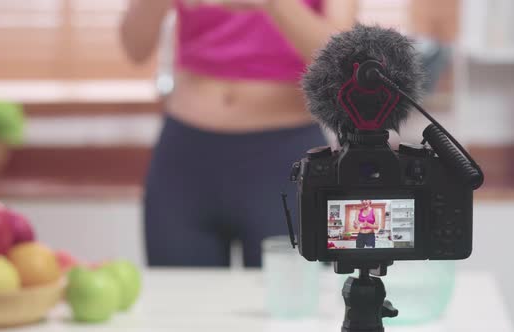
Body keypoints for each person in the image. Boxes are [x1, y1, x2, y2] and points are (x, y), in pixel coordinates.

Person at [120, 0, 358, 267]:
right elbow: (134, 47)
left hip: (285, 158)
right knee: (179, 301)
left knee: (291, 304)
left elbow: (343, 65)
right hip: (185, 158)